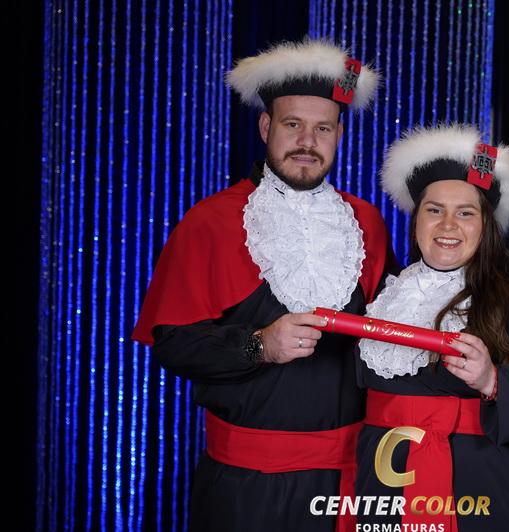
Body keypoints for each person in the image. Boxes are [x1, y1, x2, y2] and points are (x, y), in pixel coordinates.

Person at [132, 39, 394, 532]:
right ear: (265, 127)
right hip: (247, 486)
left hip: (352, 479)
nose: (307, 141)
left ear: (339, 134)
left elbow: (392, 342)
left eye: (323, 128)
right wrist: (259, 345)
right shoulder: (210, 222)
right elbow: (173, 345)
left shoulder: (367, 224)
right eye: (293, 124)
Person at [353, 125, 509, 531]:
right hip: (385, 485)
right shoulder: (383, 297)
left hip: (488, 497)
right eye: (434, 210)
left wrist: (494, 381)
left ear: (486, 226)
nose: (448, 225)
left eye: (465, 213)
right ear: (416, 220)